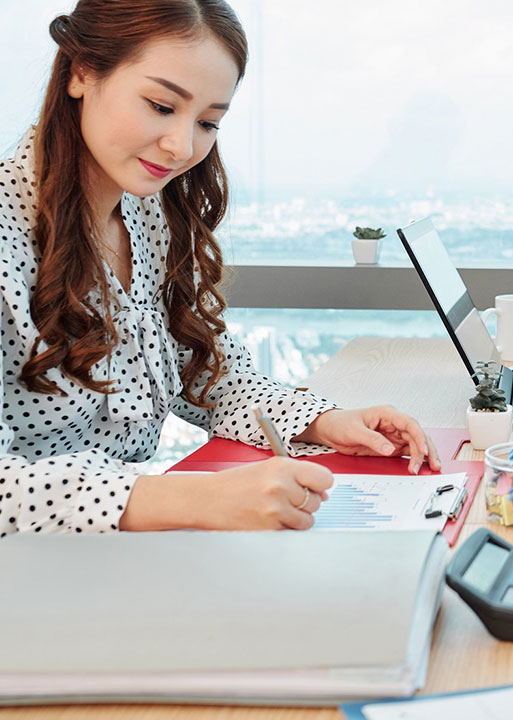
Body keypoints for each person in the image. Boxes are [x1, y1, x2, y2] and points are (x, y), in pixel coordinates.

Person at [0, 0, 440, 538]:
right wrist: (189, 497)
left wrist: (325, 422)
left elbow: (211, 376)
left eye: (208, 121)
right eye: (162, 106)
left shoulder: (147, 213)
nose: (183, 146)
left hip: (115, 561)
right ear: (81, 72)